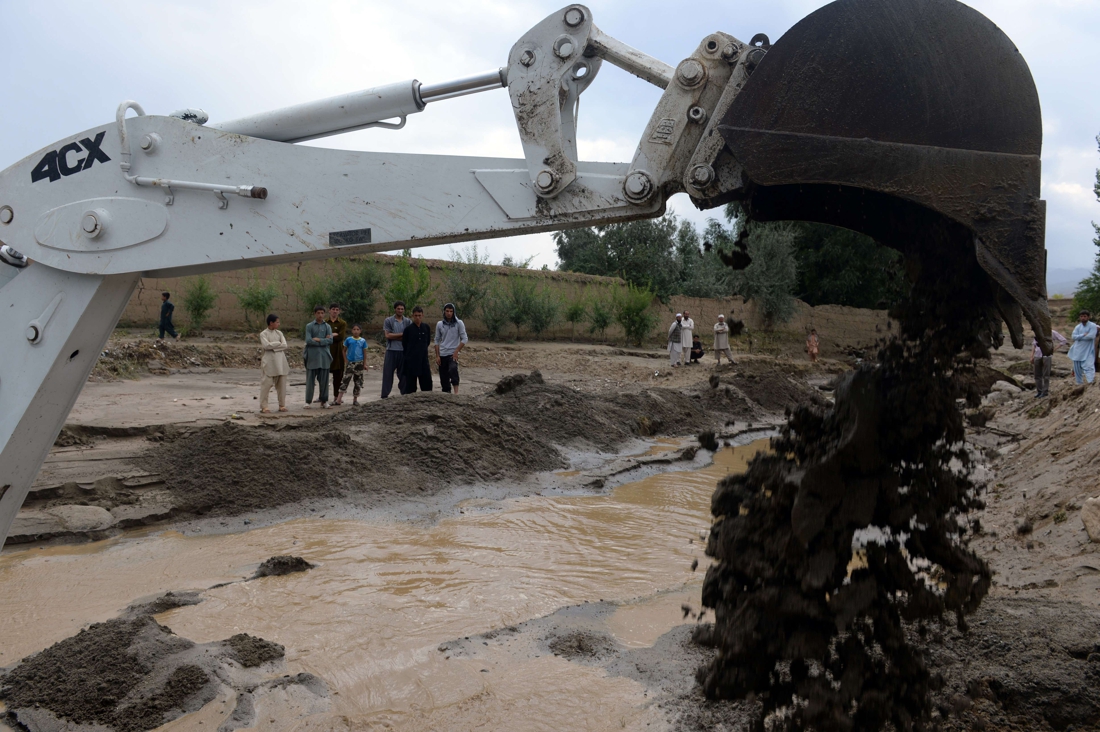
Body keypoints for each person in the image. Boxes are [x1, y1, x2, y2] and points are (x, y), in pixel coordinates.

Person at [434, 302, 468, 394]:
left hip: (452, 353)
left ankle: (456, 393)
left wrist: (457, 351)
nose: (449, 313)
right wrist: (437, 355)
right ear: (444, 312)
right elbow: (436, 340)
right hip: (442, 353)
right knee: (443, 377)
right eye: (447, 311)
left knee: (453, 369)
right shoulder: (440, 324)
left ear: (454, 312)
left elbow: (464, 338)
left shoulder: (459, 323)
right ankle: (446, 394)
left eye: (451, 311)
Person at [303, 306, 333, 408]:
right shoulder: (309, 326)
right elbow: (308, 340)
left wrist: (319, 340)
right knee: (310, 381)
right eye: (318, 313)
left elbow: (330, 340)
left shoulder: (327, 327)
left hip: (324, 357)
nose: (320, 315)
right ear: (315, 314)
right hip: (312, 357)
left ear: (324, 314)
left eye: (322, 313)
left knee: (324, 381)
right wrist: (324, 340)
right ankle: (308, 401)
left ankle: (324, 401)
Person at [259, 314, 289, 413]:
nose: (278, 324)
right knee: (266, 385)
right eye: (277, 322)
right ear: (271, 323)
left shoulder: (279, 333)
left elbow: (284, 345)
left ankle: (282, 405)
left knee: (282, 385)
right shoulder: (263, 334)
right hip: (269, 362)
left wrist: (273, 346)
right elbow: (266, 346)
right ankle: (264, 406)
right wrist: (277, 344)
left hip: (281, 361)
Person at [400, 305, 433, 394]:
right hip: (411, 361)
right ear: (412, 316)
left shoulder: (426, 327)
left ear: (422, 315)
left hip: (423, 360)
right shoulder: (408, 330)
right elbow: (405, 344)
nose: (418, 317)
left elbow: (428, 342)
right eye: (416, 315)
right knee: (411, 386)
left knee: (427, 385)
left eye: (419, 315)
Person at [382, 301, 411, 398]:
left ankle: (404, 395)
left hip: (403, 351)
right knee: (387, 374)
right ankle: (384, 395)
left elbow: (409, 337)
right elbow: (387, 335)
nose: (400, 310)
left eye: (402, 309)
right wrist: (403, 335)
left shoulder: (407, 321)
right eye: (398, 308)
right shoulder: (389, 320)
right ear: (395, 309)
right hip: (391, 351)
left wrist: (394, 336)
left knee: (404, 375)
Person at [1030, 328, 1068, 398]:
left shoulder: (1052, 332)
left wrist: (1054, 349)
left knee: (1046, 375)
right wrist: (1032, 355)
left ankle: (1045, 391)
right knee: (1037, 375)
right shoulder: (1038, 331)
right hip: (1037, 355)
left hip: (1047, 355)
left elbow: (1063, 340)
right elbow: (1034, 344)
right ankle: (1039, 391)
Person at [337, 324, 368, 406]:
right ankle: (338, 399)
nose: (356, 331)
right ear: (352, 330)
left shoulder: (363, 341)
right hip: (350, 363)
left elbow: (365, 353)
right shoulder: (348, 340)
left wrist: (364, 364)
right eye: (354, 329)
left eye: (358, 329)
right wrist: (346, 361)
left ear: (360, 331)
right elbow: (344, 351)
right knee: (345, 380)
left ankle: (355, 399)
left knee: (358, 382)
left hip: (359, 363)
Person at [1069, 310, 1099, 385]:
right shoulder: (1078, 327)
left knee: (1089, 367)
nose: (1083, 318)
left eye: (1085, 316)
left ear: (1088, 317)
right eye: (1081, 316)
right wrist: (1083, 335)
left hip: (1088, 350)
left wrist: (1079, 337)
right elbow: (1073, 337)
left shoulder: (1092, 325)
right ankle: (1079, 384)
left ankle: (1091, 383)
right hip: (1077, 350)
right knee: (1077, 369)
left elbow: (1091, 336)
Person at [327, 303, 347, 404]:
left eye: (337, 309)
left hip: (338, 352)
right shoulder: (325, 322)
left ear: (339, 311)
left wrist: (328, 336)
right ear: (329, 310)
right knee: (323, 375)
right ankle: (322, 397)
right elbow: (321, 336)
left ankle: (336, 397)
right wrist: (333, 335)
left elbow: (340, 337)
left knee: (338, 376)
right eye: (333, 309)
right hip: (326, 351)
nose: (335, 311)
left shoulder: (342, 323)